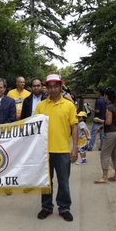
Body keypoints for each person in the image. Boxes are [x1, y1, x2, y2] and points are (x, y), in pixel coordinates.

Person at [35, 73, 78, 222]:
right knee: (46, 181)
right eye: (50, 86)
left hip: (62, 150)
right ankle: (46, 207)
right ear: (46, 88)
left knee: (63, 181)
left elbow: (74, 127)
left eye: (56, 86)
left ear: (61, 87)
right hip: (44, 151)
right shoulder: (41, 106)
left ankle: (64, 207)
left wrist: (75, 148)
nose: (52, 89)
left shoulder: (69, 105)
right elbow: (35, 128)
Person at [94, 88, 116, 183]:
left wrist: (99, 120)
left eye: (105, 96)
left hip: (111, 133)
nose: (104, 97)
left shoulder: (109, 107)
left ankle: (104, 177)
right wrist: (102, 126)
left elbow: (108, 122)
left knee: (104, 154)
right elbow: (112, 121)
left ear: (107, 96)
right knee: (115, 154)